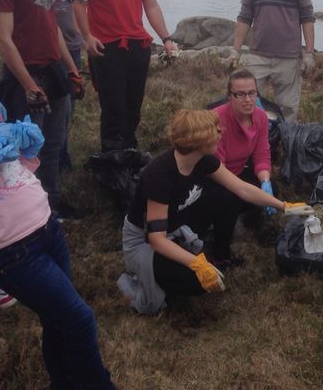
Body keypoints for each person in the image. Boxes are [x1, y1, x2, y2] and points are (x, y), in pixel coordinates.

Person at [0, 60, 115, 388]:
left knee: (57, 318)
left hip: (46, 227)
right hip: (10, 252)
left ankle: (63, 382)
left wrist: (23, 145)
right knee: (79, 319)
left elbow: (13, 175)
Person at [118, 109, 287, 315]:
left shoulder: (204, 160)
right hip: (145, 242)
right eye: (214, 130)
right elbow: (156, 239)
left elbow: (241, 188)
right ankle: (160, 287)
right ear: (198, 141)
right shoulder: (159, 176)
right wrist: (196, 263)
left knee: (227, 196)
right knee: (197, 282)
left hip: (179, 223)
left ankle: (219, 256)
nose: (220, 132)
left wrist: (284, 206)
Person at [0, 0, 83, 218]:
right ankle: (28, 210)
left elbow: (52, 26)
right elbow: (3, 40)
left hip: (54, 69)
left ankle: (51, 201)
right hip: (26, 76)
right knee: (28, 149)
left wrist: (71, 68)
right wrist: (29, 85)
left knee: (54, 143)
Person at [75, 0, 176, 151]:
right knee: (113, 107)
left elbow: (150, 4)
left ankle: (129, 151)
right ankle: (112, 156)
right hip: (106, 46)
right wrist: (87, 37)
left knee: (133, 105)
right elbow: (78, 4)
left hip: (137, 45)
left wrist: (166, 38)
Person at [230, 0, 315, 122]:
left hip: (289, 58)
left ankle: (284, 149)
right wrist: (236, 50)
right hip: (257, 55)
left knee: (287, 110)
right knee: (245, 106)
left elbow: (307, 18)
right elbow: (244, 16)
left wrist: (309, 53)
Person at [205, 69, 275, 265]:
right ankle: (221, 256)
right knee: (230, 199)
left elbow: (262, 154)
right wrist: (244, 191)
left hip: (236, 172)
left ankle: (244, 223)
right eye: (240, 94)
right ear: (229, 96)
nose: (247, 99)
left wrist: (265, 182)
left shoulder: (260, 117)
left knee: (270, 188)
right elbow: (216, 168)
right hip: (211, 178)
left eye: (252, 93)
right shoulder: (216, 120)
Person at [36, 0, 85, 170]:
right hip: (49, 52)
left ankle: (61, 163)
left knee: (67, 114)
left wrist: (82, 36)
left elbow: (73, 2)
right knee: (51, 115)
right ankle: (46, 170)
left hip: (72, 45)